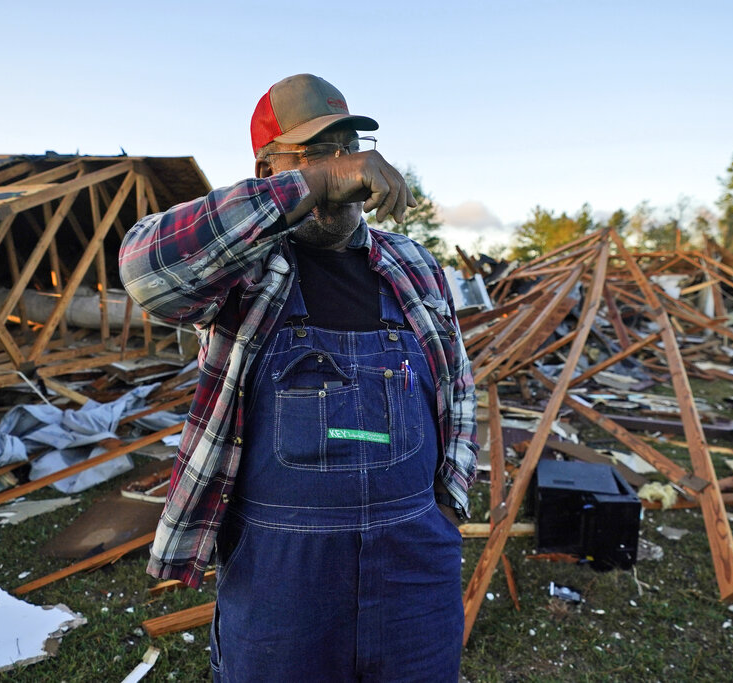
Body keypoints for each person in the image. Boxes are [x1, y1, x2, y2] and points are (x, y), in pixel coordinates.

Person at [119, 73, 479, 682]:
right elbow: (146, 268)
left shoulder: (413, 265)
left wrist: (449, 501)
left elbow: (459, 386)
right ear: (268, 171)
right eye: (314, 152)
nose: (343, 167)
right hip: (282, 577)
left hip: (414, 569)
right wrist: (311, 186)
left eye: (347, 147)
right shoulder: (245, 269)